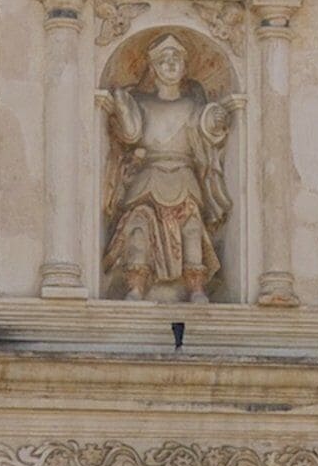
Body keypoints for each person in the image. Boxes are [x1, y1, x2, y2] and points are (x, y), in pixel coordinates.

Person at [97, 34, 235, 302]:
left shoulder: (193, 104)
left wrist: (215, 120)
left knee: (192, 227)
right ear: (154, 68)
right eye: (163, 60)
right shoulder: (142, 102)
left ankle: (196, 287)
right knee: (138, 225)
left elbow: (205, 128)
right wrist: (123, 105)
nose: (170, 65)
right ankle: (136, 285)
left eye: (176, 60)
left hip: (184, 176)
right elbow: (130, 134)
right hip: (149, 175)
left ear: (184, 68)